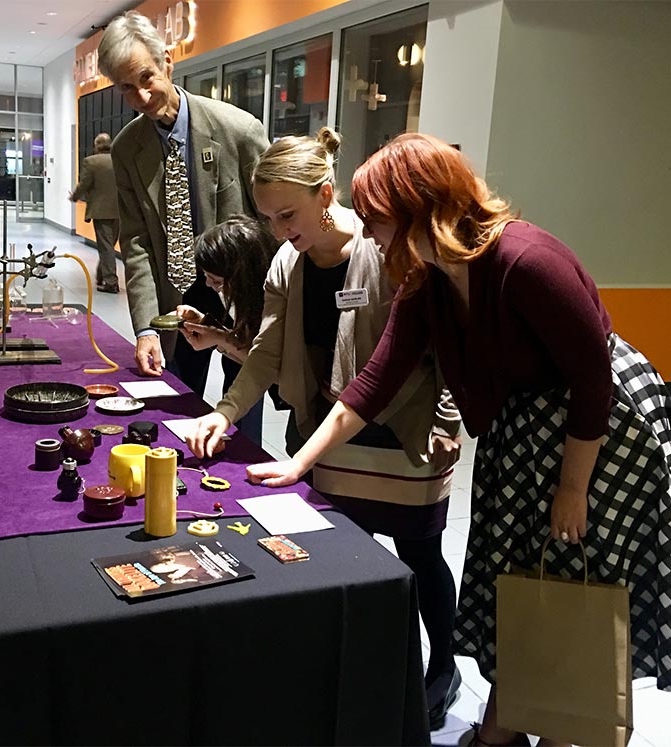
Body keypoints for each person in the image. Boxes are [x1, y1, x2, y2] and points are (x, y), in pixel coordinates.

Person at [247, 132, 671, 746]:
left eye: (376, 220)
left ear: (421, 207)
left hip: (600, 434)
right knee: (525, 574)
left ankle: (559, 726)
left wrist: (573, 488)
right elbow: (373, 382)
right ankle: (513, 717)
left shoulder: (528, 261)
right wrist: (299, 463)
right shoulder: (426, 277)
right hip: (523, 429)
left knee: (583, 580)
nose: (367, 235)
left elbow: (591, 381)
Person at [186, 127, 465, 731]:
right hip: (323, 426)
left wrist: (447, 417)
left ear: (326, 192)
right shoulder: (288, 261)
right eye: (270, 218)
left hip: (406, 427)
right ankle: (357, 666)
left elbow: (444, 345)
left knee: (419, 551)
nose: (281, 230)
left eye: (289, 213)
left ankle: (442, 664)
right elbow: (265, 349)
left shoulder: (386, 246)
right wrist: (226, 410)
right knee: (338, 550)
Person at [96, 11, 270, 433]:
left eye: (146, 77)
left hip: (241, 297)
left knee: (242, 416)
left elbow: (273, 226)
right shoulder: (127, 149)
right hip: (177, 301)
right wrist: (144, 329)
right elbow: (136, 242)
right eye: (125, 88)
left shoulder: (238, 129)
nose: (140, 95)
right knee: (173, 407)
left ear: (167, 63)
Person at [176, 215, 280, 438]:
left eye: (215, 280)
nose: (209, 285)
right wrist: (209, 328)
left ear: (243, 276)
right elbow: (250, 349)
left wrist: (220, 339)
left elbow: (267, 365)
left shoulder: (276, 300)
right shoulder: (246, 293)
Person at [69, 132, 120, 293]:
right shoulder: (119, 161)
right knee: (109, 246)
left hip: (101, 211)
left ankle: (111, 282)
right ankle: (101, 275)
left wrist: (74, 197)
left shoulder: (90, 162)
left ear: (96, 145)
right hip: (120, 210)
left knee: (106, 247)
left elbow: (84, 183)